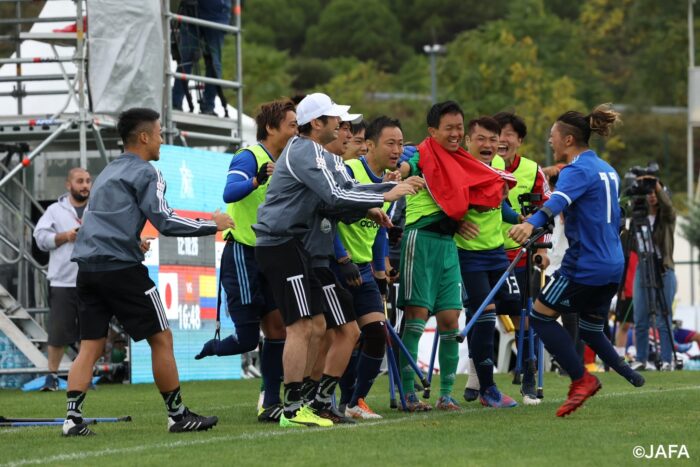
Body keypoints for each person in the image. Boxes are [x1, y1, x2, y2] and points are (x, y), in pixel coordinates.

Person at [62, 108, 235, 436]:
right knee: (162, 338)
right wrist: (211, 223)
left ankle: (72, 419)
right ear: (143, 137)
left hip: (87, 267)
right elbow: (166, 221)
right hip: (121, 270)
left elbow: (99, 222)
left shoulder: (108, 172)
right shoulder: (147, 172)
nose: (161, 140)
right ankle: (178, 415)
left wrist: (131, 240)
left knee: (90, 344)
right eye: (158, 133)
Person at [253, 93, 418, 428]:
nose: (344, 128)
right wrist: (385, 193)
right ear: (317, 124)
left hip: (296, 248)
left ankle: (311, 402)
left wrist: (372, 204)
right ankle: (293, 406)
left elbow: (335, 198)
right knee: (304, 326)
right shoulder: (304, 150)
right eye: (337, 122)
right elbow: (334, 195)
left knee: (323, 327)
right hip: (283, 244)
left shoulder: (316, 153)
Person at [509, 104, 645, 418]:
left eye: (552, 136)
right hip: (613, 265)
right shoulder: (606, 169)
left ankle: (581, 380)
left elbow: (558, 200)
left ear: (568, 140)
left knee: (540, 315)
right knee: (590, 329)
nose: (550, 142)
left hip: (585, 265)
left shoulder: (576, 170)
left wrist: (531, 223)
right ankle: (628, 372)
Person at [397, 101, 513, 411]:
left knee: (450, 320)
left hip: (448, 244)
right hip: (420, 240)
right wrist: (402, 170)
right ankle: (408, 393)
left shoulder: (459, 160)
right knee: (417, 318)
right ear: (432, 131)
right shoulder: (423, 152)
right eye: (448, 128)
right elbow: (409, 165)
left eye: (459, 128)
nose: (455, 134)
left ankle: (446, 395)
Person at [193, 99, 297, 423]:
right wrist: (257, 180)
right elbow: (230, 192)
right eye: (292, 124)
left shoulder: (287, 161)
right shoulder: (250, 156)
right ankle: (213, 347)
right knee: (250, 338)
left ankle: (270, 400)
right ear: (271, 127)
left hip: (272, 252)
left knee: (278, 328)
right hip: (243, 253)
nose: (297, 130)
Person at [334, 116, 403, 419]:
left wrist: (379, 270)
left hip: (363, 269)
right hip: (338, 265)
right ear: (370, 145)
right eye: (390, 143)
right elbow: (329, 219)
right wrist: (342, 258)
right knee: (345, 336)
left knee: (376, 332)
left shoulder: (390, 184)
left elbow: (378, 231)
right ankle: (339, 399)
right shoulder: (350, 171)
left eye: (400, 144)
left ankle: (355, 401)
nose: (397, 149)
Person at [457, 116, 520, 409]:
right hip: (467, 253)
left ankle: (485, 378)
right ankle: (487, 387)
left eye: (493, 140)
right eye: (481, 139)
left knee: (515, 307)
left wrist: (522, 219)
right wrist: (454, 223)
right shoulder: (455, 166)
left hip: (497, 252)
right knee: (483, 315)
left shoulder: (498, 167)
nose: (488, 145)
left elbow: (500, 206)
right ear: (468, 140)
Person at [491, 111, 551, 404]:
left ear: (519, 140)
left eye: (508, 134)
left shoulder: (532, 169)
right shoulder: (483, 165)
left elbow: (548, 209)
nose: (502, 140)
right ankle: (481, 381)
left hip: (521, 254)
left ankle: (528, 375)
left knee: (523, 317)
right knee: (483, 311)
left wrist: (541, 248)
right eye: (497, 134)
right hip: (485, 249)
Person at [33, 168, 92, 392]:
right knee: (58, 333)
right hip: (63, 281)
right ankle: (53, 376)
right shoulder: (55, 210)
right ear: (69, 185)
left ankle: (85, 376)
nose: (85, 185)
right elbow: (40, 238)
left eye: (87, 181)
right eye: (80, 181)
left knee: (90, 332)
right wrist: (64, 236)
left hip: (91, 279)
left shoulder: (97, 209)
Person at [630, 177, 677, 371]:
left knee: (664, 317)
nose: (651, 196)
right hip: (643, 267)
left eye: (654, 193)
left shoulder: (666, 217)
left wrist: (656, 185)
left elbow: (668, 206)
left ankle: (667, 360)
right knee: (640, 316)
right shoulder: (638, 215)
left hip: (664, 269)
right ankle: (641, 358)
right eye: (648, 193)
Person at [172, 0, 231, 115]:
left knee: (212, 62)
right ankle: (177, 102)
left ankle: (207, 105)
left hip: (214, 15)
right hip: (196, 13)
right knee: (186, 60)